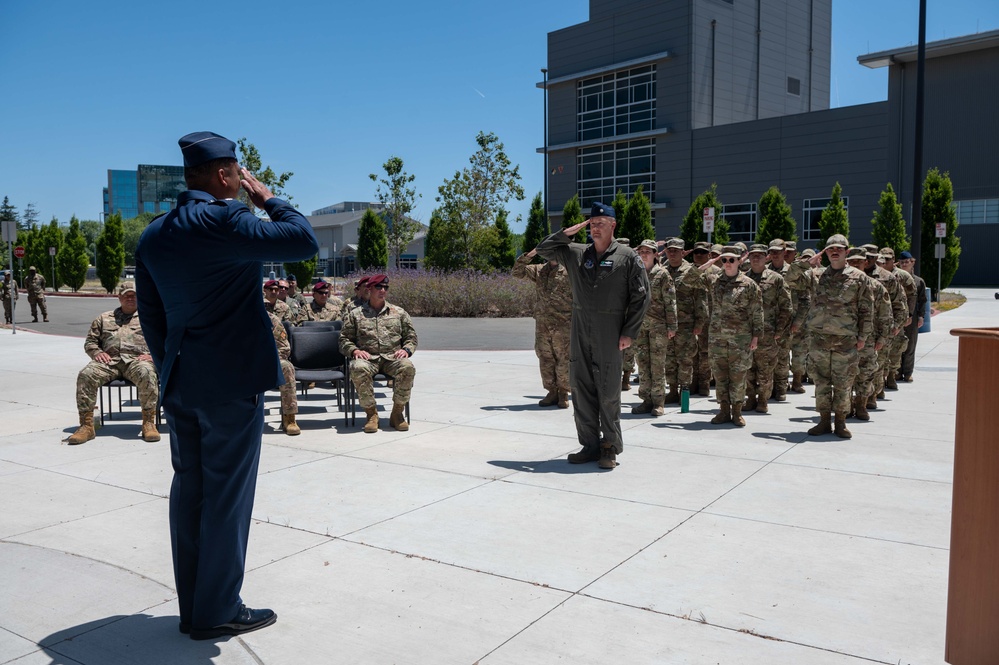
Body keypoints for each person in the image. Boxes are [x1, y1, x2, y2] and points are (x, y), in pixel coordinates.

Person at [135, 131, 319, 640]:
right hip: (230, 382)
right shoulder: (228, 218)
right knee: (227, 499)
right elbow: (303, 240)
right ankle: (217, 609)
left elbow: (151, 316)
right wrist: (269, 199)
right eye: (238, 174)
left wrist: (174, 361)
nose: (243, 181)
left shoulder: (154, 235)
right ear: (224, 175)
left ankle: (194, 607)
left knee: (189, 494)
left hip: (181, 382)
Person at [536, 202, 650, 470]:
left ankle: (609, 446)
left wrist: (629, 331)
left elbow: (642, 297)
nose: (595, 227)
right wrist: (566, 233)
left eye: (600, 223)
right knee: (581, 386)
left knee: (609, 389)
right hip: (580, 326)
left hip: (610, 328)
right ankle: (589, 444)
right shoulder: (577, 253)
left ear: (613, 225)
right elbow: (543, 250)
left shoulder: (627, 256)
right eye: (592, 223)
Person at [66, 281, 160, 445]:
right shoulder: (103, 318)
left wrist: (153, 356)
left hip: (137, 361)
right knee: (86, 374)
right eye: (126, 296)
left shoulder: (151, 318)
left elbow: (164, 341)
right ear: (119, 298)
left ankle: (148, 422)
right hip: (110, 362)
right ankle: (86, 426)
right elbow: (90, 343)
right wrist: (97, 352)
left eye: (134, 295)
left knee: (147, 373)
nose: (130, 299)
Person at [805, 235, 874, 439]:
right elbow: (791, 279)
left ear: (847, 251)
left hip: (845, 340)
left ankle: (841, 423)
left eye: (839, 248)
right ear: (825, 253)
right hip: (820, 339)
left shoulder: (858, 277)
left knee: (843, 383)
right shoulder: (816, 275)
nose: (834, 251)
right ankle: (824, 421)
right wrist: (806, 264)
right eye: (830, 248)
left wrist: (863, 336)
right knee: (821, 382)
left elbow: (866, 309)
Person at [340, 274, 418, 433]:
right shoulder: (356, 314)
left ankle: (397, 413)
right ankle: (371, 414)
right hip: (368, 359)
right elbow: (344, 339)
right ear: (369, 289)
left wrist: (407, 350)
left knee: (407, 367)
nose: (383, 290)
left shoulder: (398, 312)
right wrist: (354, 350)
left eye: (385, 287)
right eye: (379, 287)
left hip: (392, 358)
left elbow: (411, 337)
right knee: (357, 367)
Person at [699, 246, 763, 427]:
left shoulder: (749, 284)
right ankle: (723, 411)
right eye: (724, 260)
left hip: (740, 339)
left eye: (731, 260)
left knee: (738, 376)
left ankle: (737, 412)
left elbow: (757, 312)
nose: (727, 264)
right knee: (720, 376)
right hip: (717, 338)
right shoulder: (714, 281)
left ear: (739, 261)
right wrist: (710, 263)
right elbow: (690, 279)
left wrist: (756, 336)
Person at [513, 246, 573, 408]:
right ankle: (551, 391)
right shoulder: (539, 270)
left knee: (563, 358)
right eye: (548, 250)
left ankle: (563, 392)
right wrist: (531, 253)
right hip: (543, 324)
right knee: (545, 358)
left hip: (563, 324)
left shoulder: (570, 270)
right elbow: (517, 272)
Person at [631, 239, 677, 416]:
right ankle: (646, 400)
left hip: (659, 327)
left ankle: (658, 402)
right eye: (641, 251)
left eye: (648, 251)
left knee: (657, 365)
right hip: (640, 327)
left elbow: (670, 302)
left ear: (656, 254)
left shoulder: (663, 274)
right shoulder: (635, 273)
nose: (644, 254)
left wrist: (672, 325)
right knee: (642, 364)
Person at [744, 244, 791, 414]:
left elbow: (786, 306)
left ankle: (763, 400)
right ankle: (750, 398)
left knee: (765, 370)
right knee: (748, 369)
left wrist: (779, 330)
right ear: (748, 257)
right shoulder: (743, 279)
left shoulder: (776, 279)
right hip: (746, 333)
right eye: (753, 255)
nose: (756, 259)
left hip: (768, 333)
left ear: (767, 257)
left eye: (760, 256)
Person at [662, 238, 708, 401]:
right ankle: (672, 390)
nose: (672, 253)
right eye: (669, 250)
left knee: (686, 359)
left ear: (683, 252)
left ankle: (684, 391)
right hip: (666, 325)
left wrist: (699, 323)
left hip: (686, 325)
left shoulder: (692, 271)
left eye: (676, 250)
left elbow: (701, 299)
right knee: (669, 359)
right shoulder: (662, 271)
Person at [881, 247, 915, 388]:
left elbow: (912, 295)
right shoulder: (875, 274)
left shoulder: (902, 276)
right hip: (881, 318)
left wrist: (909, 315)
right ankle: (879, 379)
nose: (885, 262)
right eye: (882, 259)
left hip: (897, 317)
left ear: (893, 260)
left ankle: (891, 375)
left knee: (896, 349)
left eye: (888, 259)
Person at [268, 312, 300, 435]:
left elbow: (284, 348)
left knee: (286, 367)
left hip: (268, 361)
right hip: (242, 362)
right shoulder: (235, 316)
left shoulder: (271, 319)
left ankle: (289, 418)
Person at [898, 251, 927, 382]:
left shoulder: (918, 281)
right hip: (897, 315)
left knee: (910, 344)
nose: (904, 264)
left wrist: (921, 316)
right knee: (897, 344)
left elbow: (922, 300)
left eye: (907, 262)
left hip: (913, 315)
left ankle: (908, 372)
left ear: (912, 262)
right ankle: (897, 371)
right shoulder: (895, 278)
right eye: (902, 262)